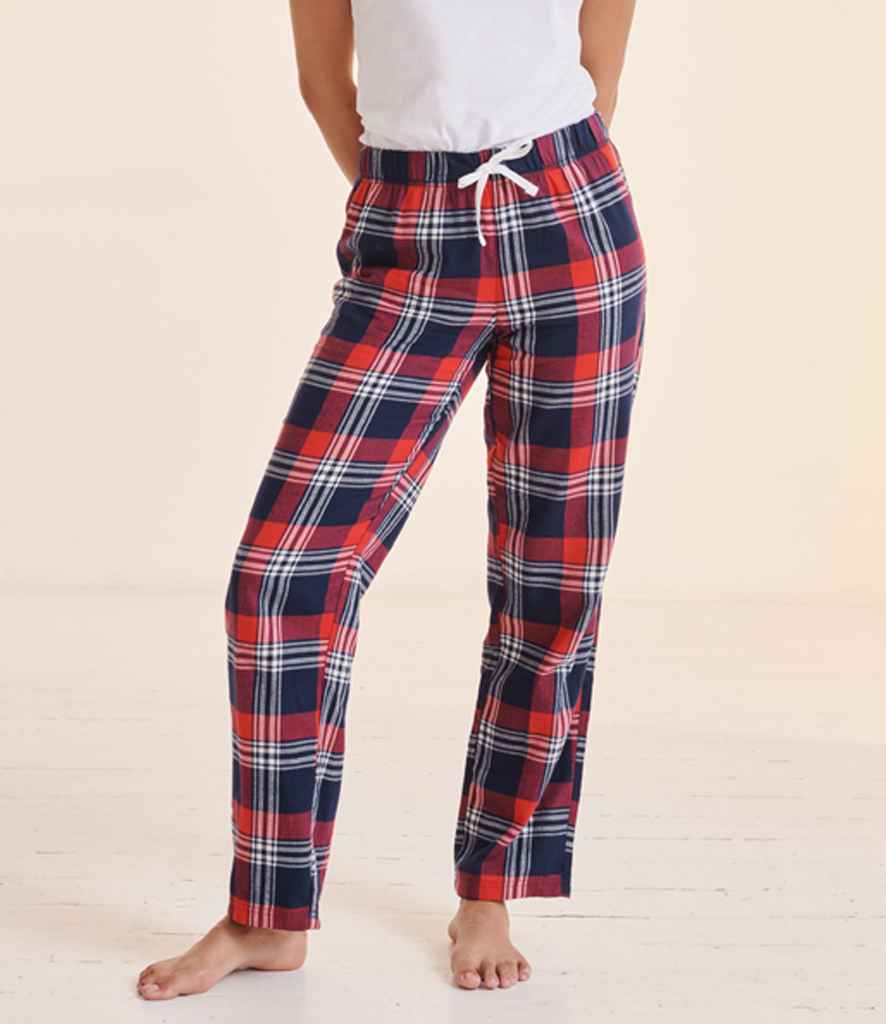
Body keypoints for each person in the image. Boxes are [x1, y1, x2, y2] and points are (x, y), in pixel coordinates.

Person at [138, 0, 643, 999]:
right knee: (280, 580)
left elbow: (600, 65)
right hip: (408, 227)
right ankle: (267, 913)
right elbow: (323, 81)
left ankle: (490, 887)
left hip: (573, 219)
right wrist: (419, 202)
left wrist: (539, 177)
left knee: (550, 584)